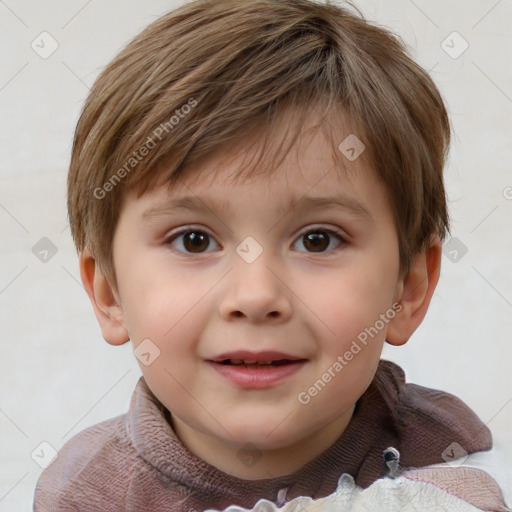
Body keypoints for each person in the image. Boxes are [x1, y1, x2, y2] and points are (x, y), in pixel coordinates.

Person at [33, 0, 510, 510]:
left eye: (317, 240)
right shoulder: (86, 494)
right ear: (109, 294)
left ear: (408, 287)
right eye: (194, 240)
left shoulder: (455, 467)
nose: (255, 296)